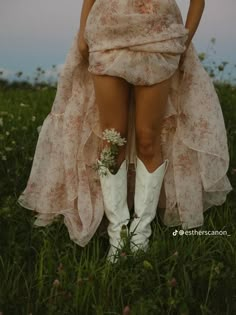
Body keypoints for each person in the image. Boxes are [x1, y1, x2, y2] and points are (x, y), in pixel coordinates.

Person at [17, 0, 233, 264]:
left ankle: (141, 234)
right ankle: (118, 235)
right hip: (108, 31)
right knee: (113, 139)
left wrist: (184, 40)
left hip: (159, 35)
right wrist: (84, 30)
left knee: (147, 138)